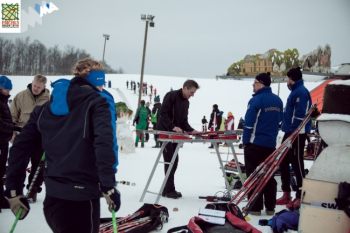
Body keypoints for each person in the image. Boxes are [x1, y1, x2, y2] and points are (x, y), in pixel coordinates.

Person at [5, 58, 120, 232]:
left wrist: (13, 188)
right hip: (81, 202)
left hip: (53, 201)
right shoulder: (98, 103)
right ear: (98, 82)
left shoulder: (46, 107)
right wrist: (108, 185)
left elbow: (20, 146)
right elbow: (105, 143)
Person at [242, 72, 283, 216]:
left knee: (254, 176)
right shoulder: (278, 101)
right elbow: (279, 120)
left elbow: (248, 124)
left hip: (255, 144)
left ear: (262, 83)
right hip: (270, 145)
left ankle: (255, 208)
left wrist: (245, 141)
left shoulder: (256, 100)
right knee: (269, 176)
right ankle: (270, 207)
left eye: (255, 82)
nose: (253, 85)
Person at [155, 79, 200, 198]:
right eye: (191, 92)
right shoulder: (171, 96)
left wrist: (191, 130)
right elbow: (163, 114)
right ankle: (168, 190)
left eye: (194, 93)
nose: (192, 95)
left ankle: (168, 188)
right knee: (170, 160)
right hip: (165, 132)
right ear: (185, 88)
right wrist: (173, 126)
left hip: (175, 135)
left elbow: (184, 122)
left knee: (174, 161)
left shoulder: (186, 102)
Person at [10, 74, 50, 203]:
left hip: (41, 137)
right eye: (34, 86)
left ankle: (33, 190)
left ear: (44, 86)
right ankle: (18, 191)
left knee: (38, 166)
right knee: (19, 164)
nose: (36, 89)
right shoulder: (20, 96)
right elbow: (12, 116)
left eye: (39, 87)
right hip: (23, 136)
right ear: (31, 82)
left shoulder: (49, 99)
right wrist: (13, 132)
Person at [277, 67, 312, 210]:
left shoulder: (301, 92)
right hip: (289, 131)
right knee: (283, 160)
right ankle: (286, 192)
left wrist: (293, 131)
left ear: (292, 79)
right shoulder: (294, 92)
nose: (286, 80)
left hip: (297, 132)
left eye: (287, 78)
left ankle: (300, 194)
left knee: (297, 163)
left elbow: (300, 115)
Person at [0, 76, 22, 213]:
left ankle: (1, 200)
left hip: (3, 141)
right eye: (7, 89)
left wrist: (14, 127)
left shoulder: (3, 101)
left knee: (1, 170)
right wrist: (13, 127)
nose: (9, 92)